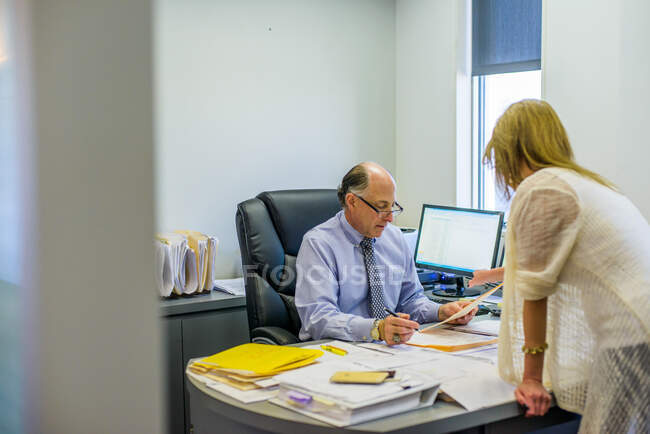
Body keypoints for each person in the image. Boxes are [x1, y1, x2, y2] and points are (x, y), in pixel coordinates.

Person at [485, 99, 649, 433]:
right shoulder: (587, 184)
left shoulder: (542, 188)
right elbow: (559, 264)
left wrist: (531, 377)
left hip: (631, 336)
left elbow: (535, 290)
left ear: (510, 152)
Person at [295, 162, 477, 345]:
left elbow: (410, 300)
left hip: (388, 348)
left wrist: (441, 312)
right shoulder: (319, 244)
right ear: (352, 201)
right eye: (381, 207)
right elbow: (317, 318)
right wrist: (375, 329)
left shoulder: (395, 237)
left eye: (392, 206)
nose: (390, 217)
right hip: (337, 349)